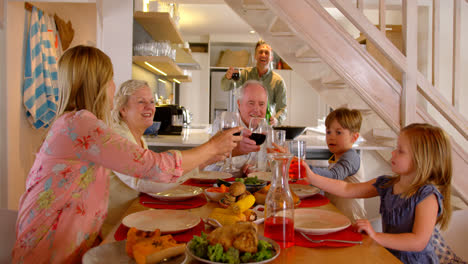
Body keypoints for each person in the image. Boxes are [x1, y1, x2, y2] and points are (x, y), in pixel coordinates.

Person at [12, 46, 241, 263]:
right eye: (110, 79)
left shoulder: (75, 122)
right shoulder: (81, 125)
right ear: (99, 84)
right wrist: (211, 146)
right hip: (49, 247)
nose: (113, 86)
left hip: (66, 240)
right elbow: (154, 169)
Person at [305, 123, 453, 264]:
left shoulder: (426, 195)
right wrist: (312, 177)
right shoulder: (387, 184)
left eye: (400, 150)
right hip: (388, 257)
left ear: (422, 160)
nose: (393, 152)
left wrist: (376, 236)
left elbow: (418, 241)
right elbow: (347, 189)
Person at [101, 79, 177, 237]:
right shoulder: (118, 137)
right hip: (114, 228)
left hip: (133, 216)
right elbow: (144, 180)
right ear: (123, 109)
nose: (150, 107)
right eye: (141, 102)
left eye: (151, 101)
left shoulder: (138, 137)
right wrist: (199, 161)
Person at [308, 107, 366, 221]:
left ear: (354, 137)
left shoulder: (351, 157)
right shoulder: (336, 157)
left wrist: (306, 169)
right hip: (337, 218)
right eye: (328, 132)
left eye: (338, 132)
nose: (331, 136)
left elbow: (334, 176)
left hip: (352, 221)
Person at [221, 40, 287, 126]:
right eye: (260, 52)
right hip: (244, 124)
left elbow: (282, 108)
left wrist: (276, 120)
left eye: (267, 53)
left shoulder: (278, 81)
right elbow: (225, 87)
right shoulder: (245, 74)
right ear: (255, 56)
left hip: (265, 125)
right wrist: (227, 77)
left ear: (271, 58)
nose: (263, 55)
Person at [208, 80, 268, 173]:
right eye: (251, 103)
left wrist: (257, 170)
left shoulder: (267, 130)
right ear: (239, 104)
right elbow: (209, 168)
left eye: (261, 104)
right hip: (222, 185)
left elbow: (270, 170)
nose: (257, 109)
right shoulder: (224, 124)